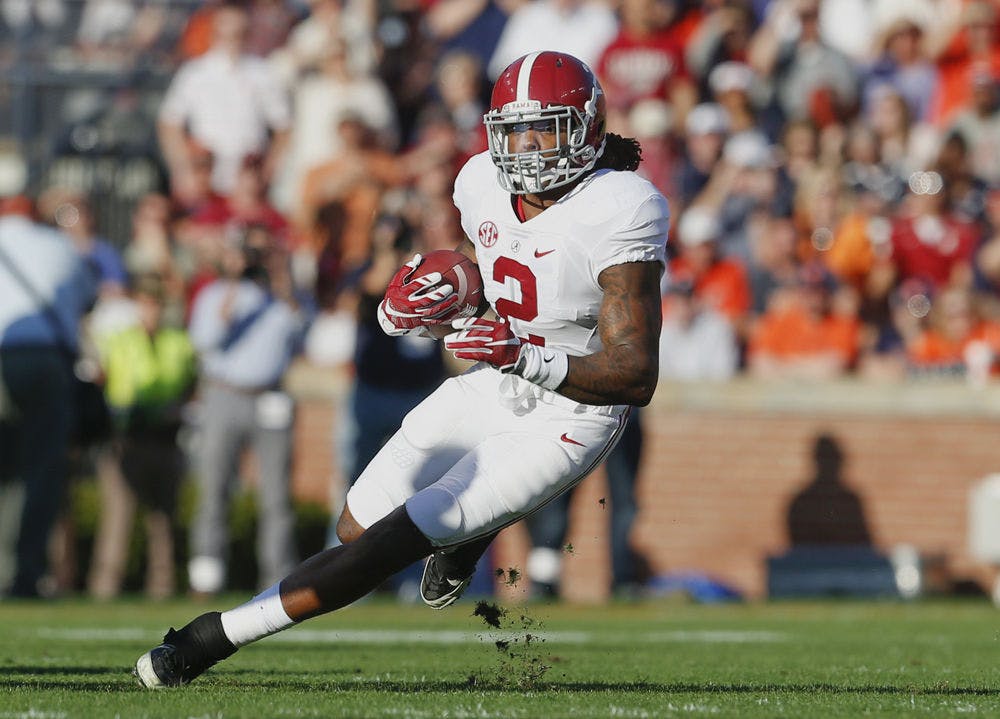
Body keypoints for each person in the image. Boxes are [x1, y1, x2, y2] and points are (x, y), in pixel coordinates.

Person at [134, 50, 669, 688]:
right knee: (354, 526)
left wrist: (525, 353)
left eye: (545, 128)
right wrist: (427, 300)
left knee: (382, 547)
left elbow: (635, 373)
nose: (526, 148)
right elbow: (506, 269)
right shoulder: (479, 181)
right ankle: (462, 540)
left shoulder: (622, 205)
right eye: (514, 130)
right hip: (498, 377)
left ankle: (208, 640)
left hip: (570, 412)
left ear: (586, 129)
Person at [184, 226, 307, 597]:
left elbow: (303, 333)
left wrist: (280, 277)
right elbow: (205, 342)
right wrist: (235, 283)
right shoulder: (215, 294)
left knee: (276, 495)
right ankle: (206, 573)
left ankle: (276, 578)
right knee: (214, 486)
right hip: (224, 393)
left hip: (270, 397)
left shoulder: (282, 300)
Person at [0, 195, 96, 598]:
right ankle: (25, 572)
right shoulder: (59, 246)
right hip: (46, 359)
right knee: (41, 470)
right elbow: (87, 299)